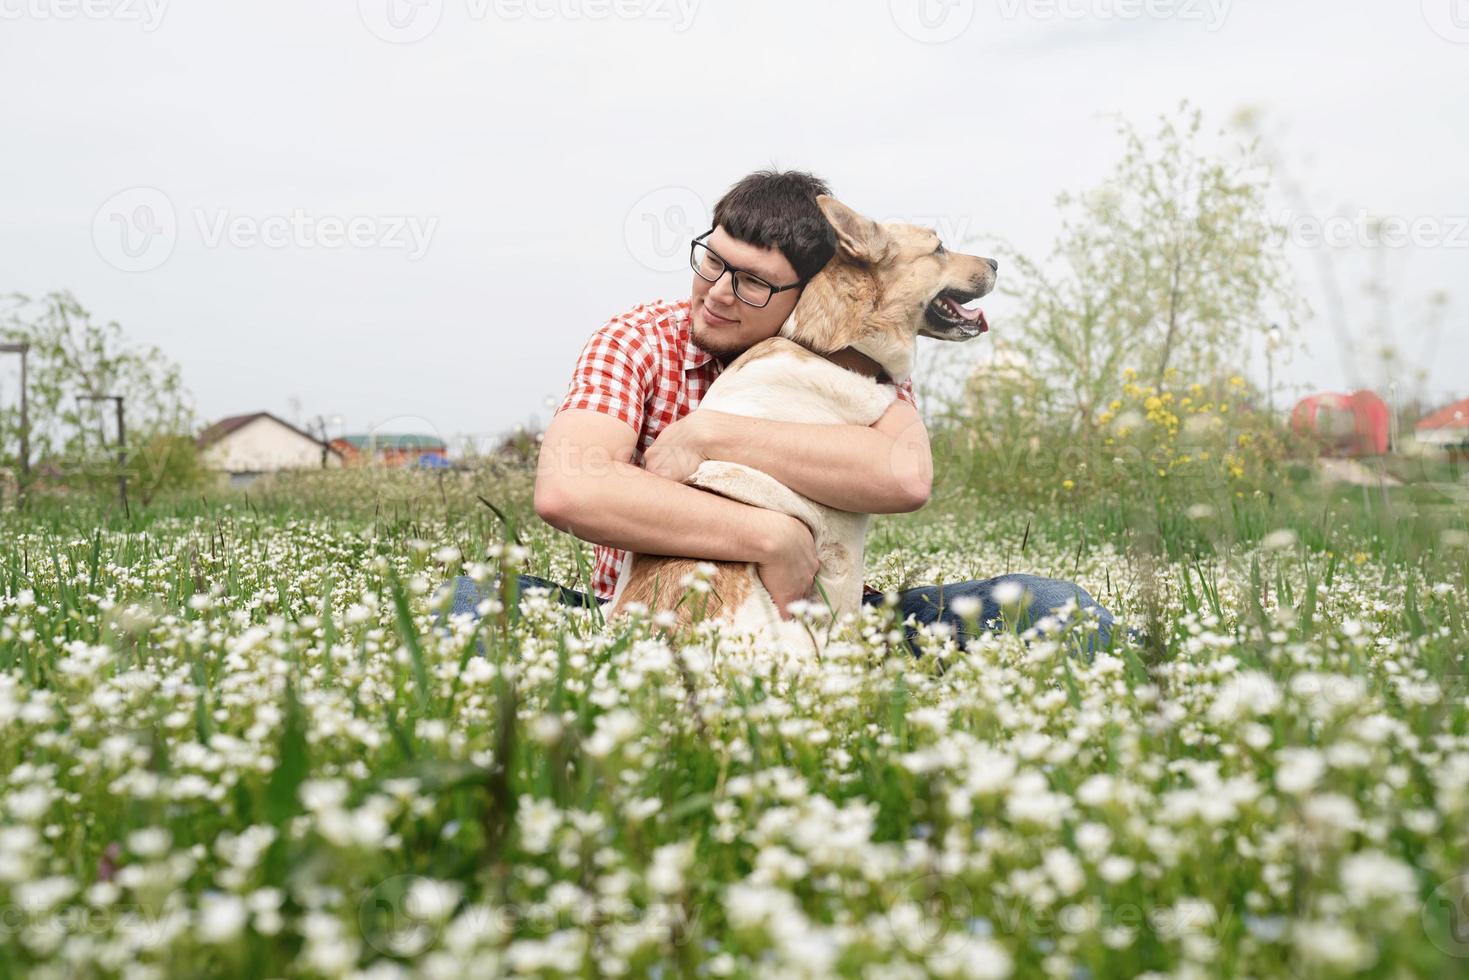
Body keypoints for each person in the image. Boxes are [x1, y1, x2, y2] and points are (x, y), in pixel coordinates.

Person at [447, 169, 1117, 651]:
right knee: (468, 602)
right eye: (712, 261)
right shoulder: (638, 337)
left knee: (1050, 605)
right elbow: (570, 488)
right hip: (647, 617)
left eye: (753, 282)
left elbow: (903, 477)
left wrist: (714, 431)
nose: (715, 293)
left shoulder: (854, 354)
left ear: (807, 291)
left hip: (818, 616)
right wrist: (771, 540)